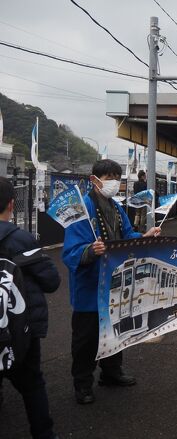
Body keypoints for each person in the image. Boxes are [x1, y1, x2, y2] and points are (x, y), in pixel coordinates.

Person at [62, 159, 161, 405]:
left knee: (115, 331)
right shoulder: (82, 210)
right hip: (89, 288)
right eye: (109, 177)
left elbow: (127, 236)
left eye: (116, 177)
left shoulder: (115, 208)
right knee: (86, 338)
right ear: (95, 180)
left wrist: (144, 237)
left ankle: (111, 372)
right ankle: (83, 383)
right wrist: (89, 250)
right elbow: (70, 252)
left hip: (116, 284)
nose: (114, 183)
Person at [0, 176, 61, 438]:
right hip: (20, 325)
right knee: (32, 383)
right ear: (12, 204)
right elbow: (51, 281)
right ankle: (44, 434)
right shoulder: (21, 239)